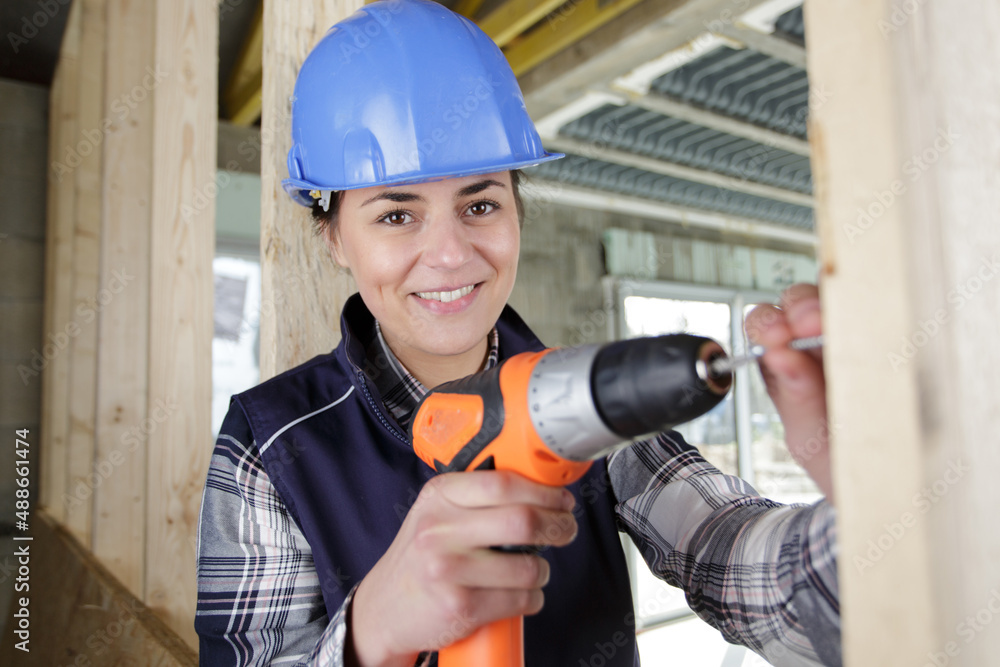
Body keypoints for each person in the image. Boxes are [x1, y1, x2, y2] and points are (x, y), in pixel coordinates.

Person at [195, 2, 839, 666]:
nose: (451, 255)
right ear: (333, 237)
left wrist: (867, 500)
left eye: (480, 204)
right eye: (396, 216)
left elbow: (733, 550)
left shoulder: (580, 400)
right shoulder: (268, 445)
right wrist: (371, 632)